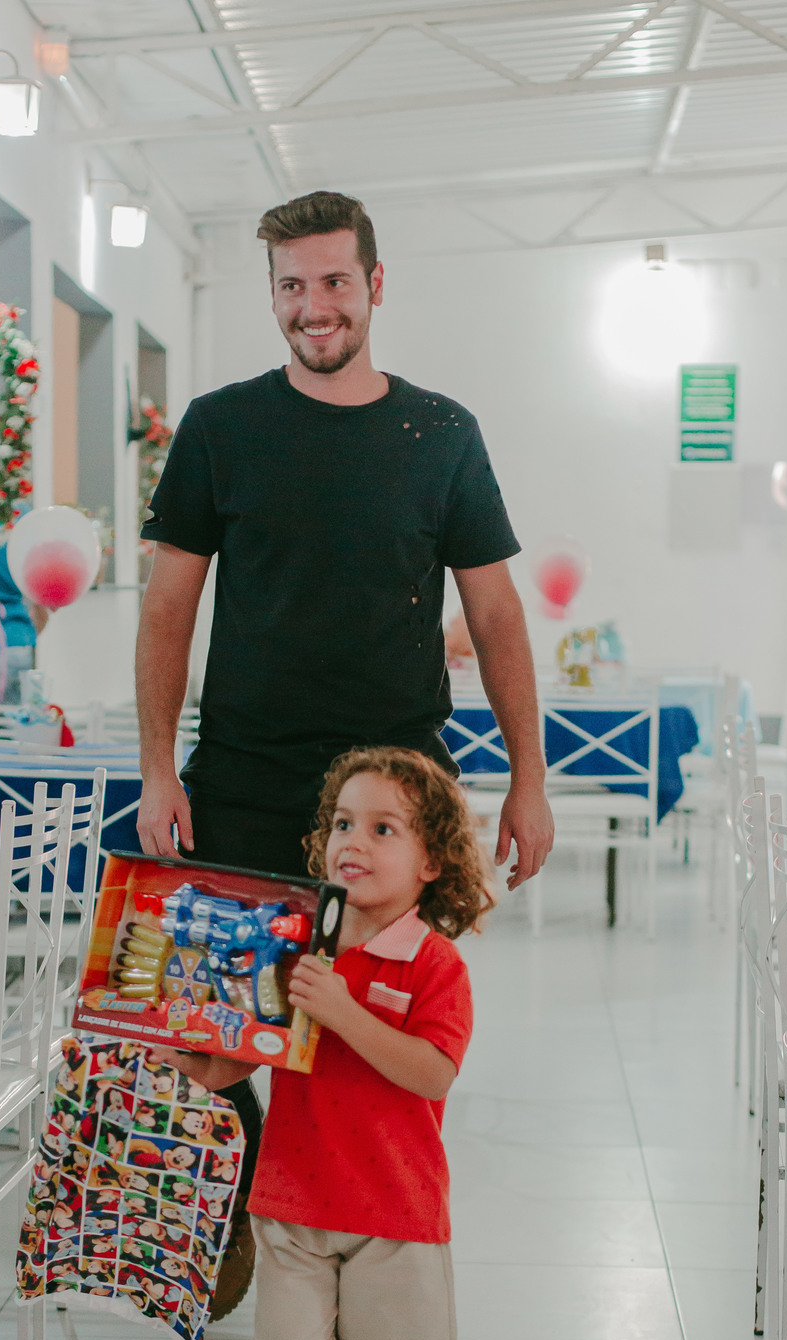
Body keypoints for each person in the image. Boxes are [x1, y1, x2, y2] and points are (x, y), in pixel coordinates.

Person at [134, 188, 553, 889]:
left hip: (401, 790)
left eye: (335, 282)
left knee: (385, 1001)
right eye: (292, 286)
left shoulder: (442, 435)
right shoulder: (218, 429)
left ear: (375, 284)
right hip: (244, 788)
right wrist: (155, 772)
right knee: (243, 1001)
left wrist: (528, 781)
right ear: (272, 294)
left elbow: (496, 616)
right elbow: (166, 611)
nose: (314, 308)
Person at [165, 747, 490, 1340]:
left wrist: (342, 1011)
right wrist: (193, 1060)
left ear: (430, 861)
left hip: (395, 1206)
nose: (355, 840)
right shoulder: (292, 944)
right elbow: (243, 1058)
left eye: (384, 828)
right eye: (344, 822)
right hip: (296, 1194)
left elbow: (431, 1073)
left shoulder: (433, 965)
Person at [0, 539, 49, 705]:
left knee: (4, 718)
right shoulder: (18, 551)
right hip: (25, 643)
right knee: (23, 713)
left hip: (2, 649)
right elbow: (41, 618)